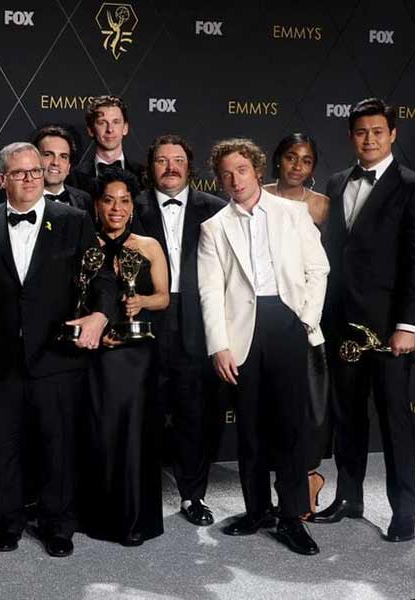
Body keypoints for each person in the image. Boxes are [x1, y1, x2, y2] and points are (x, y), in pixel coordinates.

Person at [0, 142, 117, 558]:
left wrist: (101, 317)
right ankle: (7, 521)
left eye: (35, 171)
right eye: (19, 172)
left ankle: (57, 525)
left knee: (57, 446)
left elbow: (101, 279)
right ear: (3, 179)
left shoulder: (74, 220)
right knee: (3, 446)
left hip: (57, 355)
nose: (30, 178)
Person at [198, 138, 329, 556]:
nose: (234, 180)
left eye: (241, 170)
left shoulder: (294, 213)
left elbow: (318, 269)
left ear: (257, 170)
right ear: (219, 179)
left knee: (290, 425)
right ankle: (257, 510)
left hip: (288, 324)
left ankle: (291, 517)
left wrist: (306, 319)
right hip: (242, 335)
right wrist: (219, 345)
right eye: (226, 174)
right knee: (251, 427)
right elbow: (209, 291)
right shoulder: (213, 227)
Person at [313, 98, 415, 544]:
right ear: (351, 136)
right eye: (362, 132)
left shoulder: (413, 186)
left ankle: (405, 511)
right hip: (342, 323)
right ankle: (348, 497)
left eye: (378, 132)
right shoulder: (335, 181)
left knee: (394, 417)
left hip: (387, 327)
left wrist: (407, 324)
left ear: (393, 134)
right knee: (348, 416)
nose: (369, 139)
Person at [132, 134, 226, 526]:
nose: (170, 167)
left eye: (177, 160)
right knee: (141, 412)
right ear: (150, 166)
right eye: (161, 160)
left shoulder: (216, 210)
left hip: (197, 322)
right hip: (144, 320)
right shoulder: (128, 208)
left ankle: (193, 496)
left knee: (194, 412)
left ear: (190, 167)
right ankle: (138, 494)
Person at [80, 168, 169, 546]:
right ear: (97, 205)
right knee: (98, 434)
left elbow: (164, 297)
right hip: (96, 355)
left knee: (133, 436)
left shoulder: (148, 246)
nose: (117, 208)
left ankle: (135, 520)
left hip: (136, 356)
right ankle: (95, 517)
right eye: (108, 200)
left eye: (125, 200)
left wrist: (141, 300)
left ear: (133, 206)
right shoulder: (84, 245)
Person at [263, 132, 332, 518]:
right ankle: (280, 485)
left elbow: (322, 266)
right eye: (291, 158)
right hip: (264, 315)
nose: (297, 166)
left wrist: (308, 320)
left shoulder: (321, 206)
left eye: (306, 160)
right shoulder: (259, 196)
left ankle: (308, 478)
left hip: (308, 317)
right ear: (278, 160)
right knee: (272, 408)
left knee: (307, 408)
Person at [68, 95, 144, 197]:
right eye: (102, 123)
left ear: (125, 128)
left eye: (116, 122)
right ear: (91, 130)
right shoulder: (74, 177)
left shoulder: (142, 174)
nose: (110, 129)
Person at [31, 125, 92, 212]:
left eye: (63, 157)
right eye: (48, 154)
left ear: (68, 166)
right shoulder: (17, 198)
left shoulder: (84, 200)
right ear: (34, 160)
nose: (55, 162)